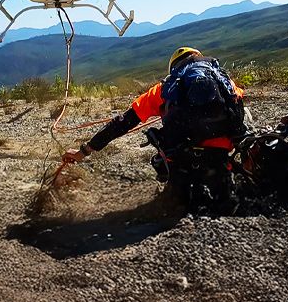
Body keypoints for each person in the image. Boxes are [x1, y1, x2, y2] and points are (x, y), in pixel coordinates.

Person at [59, 47, 247, 212]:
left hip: (184, 156)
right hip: (222, 154)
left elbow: (123, 122)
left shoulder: (165, 89)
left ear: (174, 68)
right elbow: (240, 116)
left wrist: (85, 151)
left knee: (162, 159)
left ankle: (175, 194)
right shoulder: (226, 83)